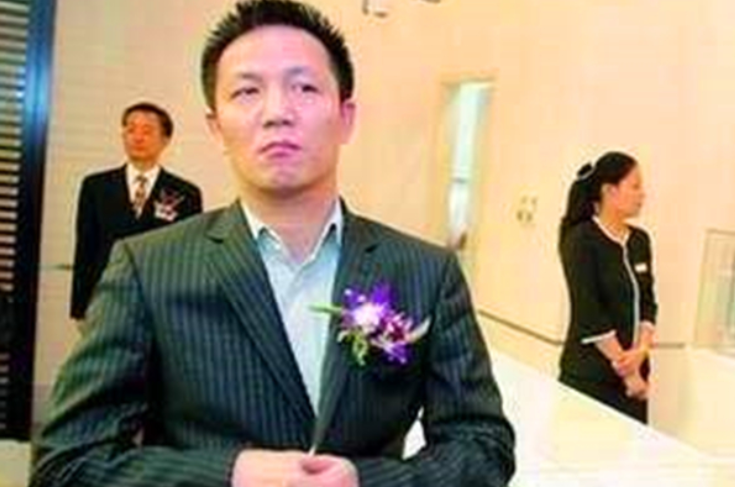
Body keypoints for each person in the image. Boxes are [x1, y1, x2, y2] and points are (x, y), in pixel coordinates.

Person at [32, 1, 515, 486]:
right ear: (216, 127)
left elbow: (483, 446)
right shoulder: (148, 268)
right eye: (247, 91)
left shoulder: (425, 272)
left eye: (304, 87)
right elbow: (65, 464)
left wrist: (365, 481)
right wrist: (230, 474)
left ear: (345, 117)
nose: (278, 112)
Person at [69, 102, 203, 321]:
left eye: (147, 131)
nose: (138, 137)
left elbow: (189, 259)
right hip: (107, 299)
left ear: (165, 140)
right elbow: (85, 249)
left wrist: (187, 313)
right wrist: (80, 309)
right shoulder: (96, 186)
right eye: (131, 129)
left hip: (161, 304)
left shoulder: (186, 193)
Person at [558, 151, 658, 423]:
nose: (642, 194)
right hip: (591, 378)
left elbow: (648, 302)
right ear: (609, 191)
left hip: (636, 379)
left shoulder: (640, 241)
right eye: (635, 186)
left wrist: (641, 352)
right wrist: (630, 373)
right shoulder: (581, 239)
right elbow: (590, 314)